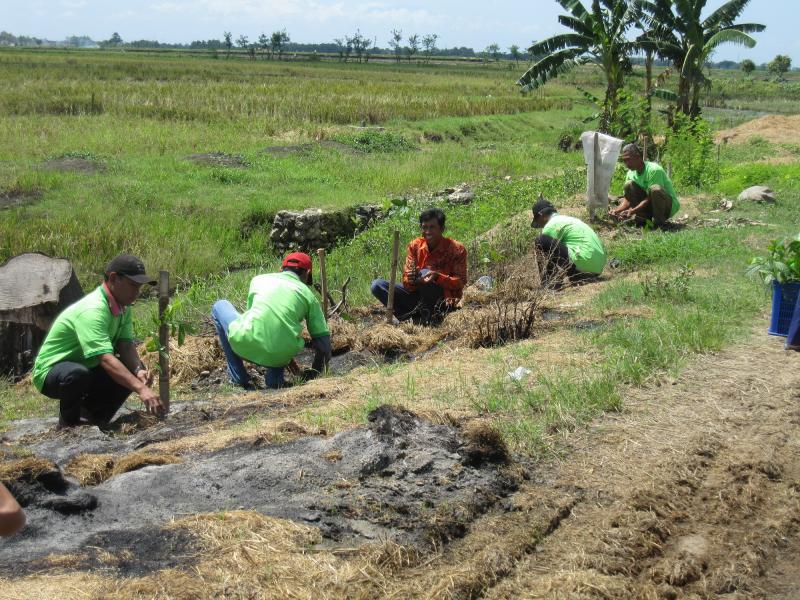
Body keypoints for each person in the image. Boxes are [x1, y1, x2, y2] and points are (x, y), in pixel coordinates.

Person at [32, 254, 163, 428]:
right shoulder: (93, 310)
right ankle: (68, 426)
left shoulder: (123, 305)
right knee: (77, 375)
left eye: (139, 287)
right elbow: (105, 359)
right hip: (52, 372)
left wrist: (138, 369)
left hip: (86, 366)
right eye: (133, 286)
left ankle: (92, 420)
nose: (136, 293)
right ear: (114, 279)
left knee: (131, 370)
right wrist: (141, 389)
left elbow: (124, 344)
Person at [212, 252, 331, 390]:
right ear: (307, 273)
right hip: (279, 356)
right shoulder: (308, 295)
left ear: (281, 269)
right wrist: (312, 375)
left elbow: (257, 320)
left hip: (245, 342)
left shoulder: (258, 280)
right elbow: (324, 346)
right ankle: (274, 379)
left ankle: (239, 377)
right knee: (282, 343)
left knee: (219, 305)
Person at [371, 208, 467, 324]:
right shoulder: (415, 246)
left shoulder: (457, 249)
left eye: (432, 227)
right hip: (418, 296)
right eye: (424, 227)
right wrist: (412, 279)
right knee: (377, 285)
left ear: (442, 229)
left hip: (443, 300)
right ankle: (410, 318)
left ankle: (435, 317)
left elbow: (460, 282)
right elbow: (407, 283)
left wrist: (437, 277)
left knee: (427, 279)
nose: (427, 231)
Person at [531, 198, 606, 288]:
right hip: (597, 268)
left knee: (540, 240)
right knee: (551, 245)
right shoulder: (569, 220)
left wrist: (546, 278)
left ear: (541, 215)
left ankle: (550, 282)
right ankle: (559, 279)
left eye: (539, 222)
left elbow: (550, 253)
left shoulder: (551, 225)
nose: (541, 226)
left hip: (583, 263)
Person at [610, 143, 680, 228]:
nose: (626, 163)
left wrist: (633, 210)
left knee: (655, 189)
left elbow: (651, 196)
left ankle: (659, 222)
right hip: (650, 205)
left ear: (638, 157)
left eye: (628, 159)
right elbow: (627, 199)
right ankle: (643, 219)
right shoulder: (630, 173)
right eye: (624, 160)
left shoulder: (654, 170)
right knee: (628, 185)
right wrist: (617, 210)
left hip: (666, 207)